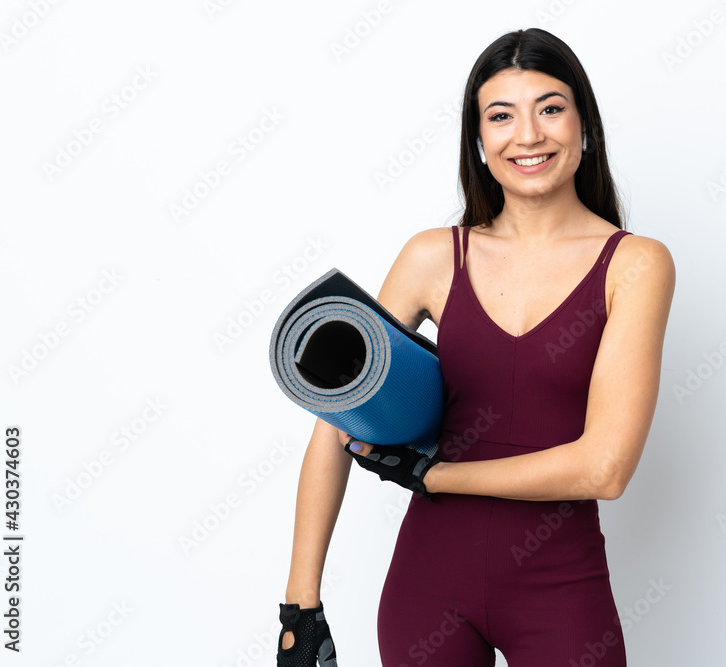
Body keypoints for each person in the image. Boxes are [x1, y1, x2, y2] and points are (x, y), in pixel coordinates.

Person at [275, 27, 675, 667]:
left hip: (561, 586)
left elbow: (605, 467)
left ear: (584, 125)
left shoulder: (635, 265)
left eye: (550, 108)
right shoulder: (434, 257)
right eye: (501, 116)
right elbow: (337, 422)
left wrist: (436, 477)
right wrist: (301, 607)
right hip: (429, 587)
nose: (529, 135)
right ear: (480, 141)